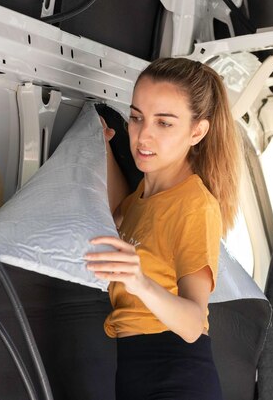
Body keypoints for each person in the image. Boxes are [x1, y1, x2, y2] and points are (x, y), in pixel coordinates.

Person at [86, 57, 241, 400]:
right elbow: (118, 215)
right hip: (135, 372)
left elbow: (190, 324)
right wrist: (105, 146)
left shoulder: (193, 206)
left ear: (197, 131)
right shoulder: (146, 193)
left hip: (175, 376)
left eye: (164, 123)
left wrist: (139, 281)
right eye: (137, 117)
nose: (144, 135)